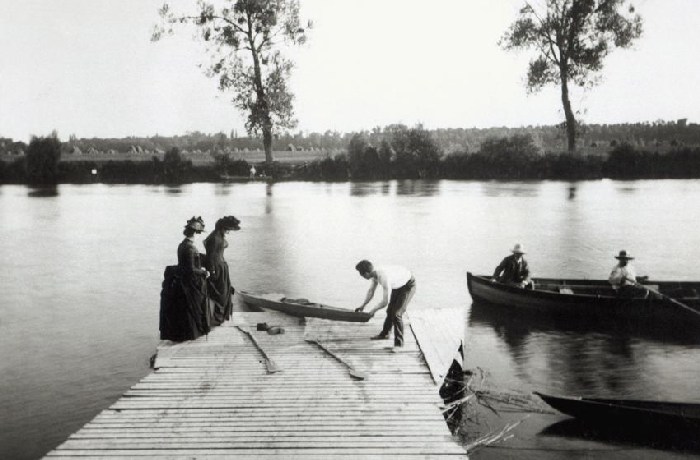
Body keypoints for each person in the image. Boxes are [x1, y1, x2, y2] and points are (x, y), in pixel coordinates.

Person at [159, 216, 211, 341]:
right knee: (193, 307)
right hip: (189, 282)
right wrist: (204, 272)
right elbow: (191, 269)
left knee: (186, 309)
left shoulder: (182, 245)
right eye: (198, 233)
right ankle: (191, 333)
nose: (199, 236)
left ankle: (186, 333)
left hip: (182, 279)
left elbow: (186, 264)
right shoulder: (190, 247)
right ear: (194, 233)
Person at [354, 260, 416, 351]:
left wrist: (373, 311)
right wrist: (363, 305)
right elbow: (371, 291)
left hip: (408, 285)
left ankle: (399, 345)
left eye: (361, 274)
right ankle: (385, 334)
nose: (361, 276)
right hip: (397, 284)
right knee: (390, 310)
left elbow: (385, 302)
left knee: (396, 314)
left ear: (367, 273)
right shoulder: (374, 274)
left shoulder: (383, 277)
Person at [203, 215, 241, 326]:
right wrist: (212, 271)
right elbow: (210, 256)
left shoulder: (217, 236)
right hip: (217, 268)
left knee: (224, 292)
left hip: (221, 267)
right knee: (220, 293)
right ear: (222, 228)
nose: (228, 232)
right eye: (227, 230)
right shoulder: (215, 238)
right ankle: (218, 318)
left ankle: (220, 317)